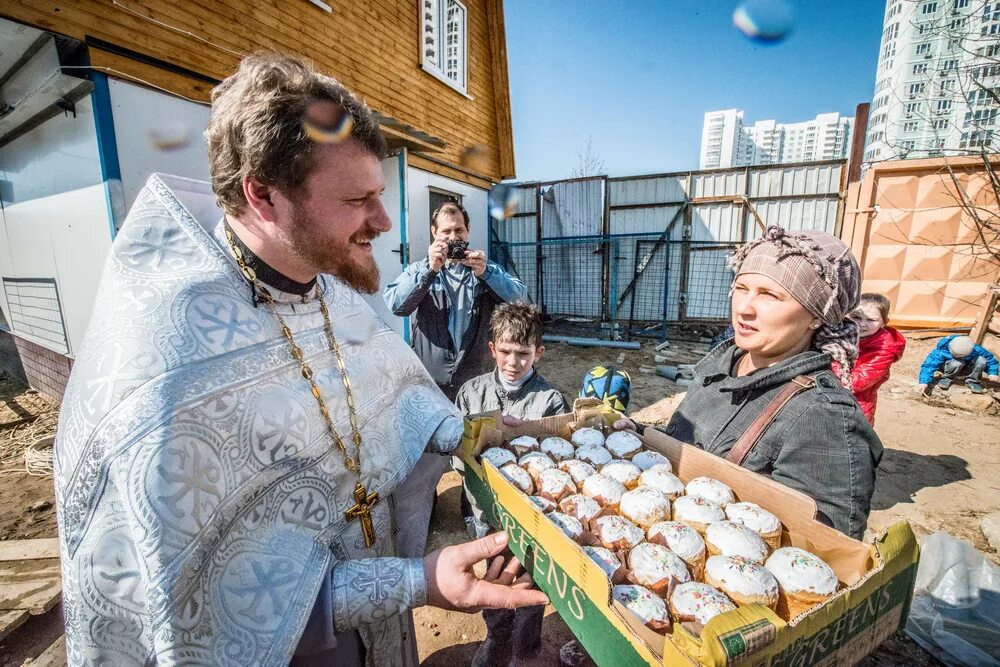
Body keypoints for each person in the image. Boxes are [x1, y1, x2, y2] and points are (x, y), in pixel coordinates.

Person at [53, 53, 546, 667]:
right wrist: (419, 581)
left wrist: (466, 428)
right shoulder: (163, 368)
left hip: (373, 610)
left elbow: (394, 388)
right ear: (263, 195)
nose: (384, 220)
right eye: (358, 198)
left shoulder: (325, 285)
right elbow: (198, 607)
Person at [618, 226, 883, 540]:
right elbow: (688, 449)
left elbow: (820, 551)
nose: (744, 307)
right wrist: (638, 432)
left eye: (770, 295)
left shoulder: (823, 416)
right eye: (741, 287)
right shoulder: (722, 366)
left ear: (816, 316)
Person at [384, 202, 529, 558]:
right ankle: (427, 507)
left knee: (475, 448)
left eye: (459, 232)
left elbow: (520, 297)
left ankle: (472, 507)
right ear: (434, 234)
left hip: (473, 381)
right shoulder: (421, 270)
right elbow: (395, 303)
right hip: (429, 382)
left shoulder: (484, 270)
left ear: (468, 233)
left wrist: (487, 273)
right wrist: (427, 270)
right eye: (446, 232)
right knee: (424, 450)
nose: (453, 238)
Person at [451, 301, 569, 666]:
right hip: (486, 510)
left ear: (539, 353)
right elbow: (457, 455)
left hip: (534, 519)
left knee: (532, 579)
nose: (513, 362)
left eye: (523, 353)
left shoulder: (550, 401)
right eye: (505, 352)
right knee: (493, 577)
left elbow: (557, 462)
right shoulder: (471, 393)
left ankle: (526, 648)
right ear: (492, 350)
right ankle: (497, 639)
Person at [847, 293, 906, 425]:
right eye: (856, 317)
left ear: (884, 323)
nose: (862, 324)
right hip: (832, 400)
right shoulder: (844, 336)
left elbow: (855, 383)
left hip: (856, 407)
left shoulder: (884, 349)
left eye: (871, 320)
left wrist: (830, 363)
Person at [918, 334, 999, 396]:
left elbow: (990, 359)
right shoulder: (942, 350)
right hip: (950, 367)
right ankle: (947, 378)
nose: (958, 357)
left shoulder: (975, 349)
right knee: (957, 362)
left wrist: (993, 372)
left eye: (961, 356)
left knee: (982, 360)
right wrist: (923, 382)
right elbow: (928, 365)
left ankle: (973, 381)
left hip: (967, 368)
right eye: (956, 355)